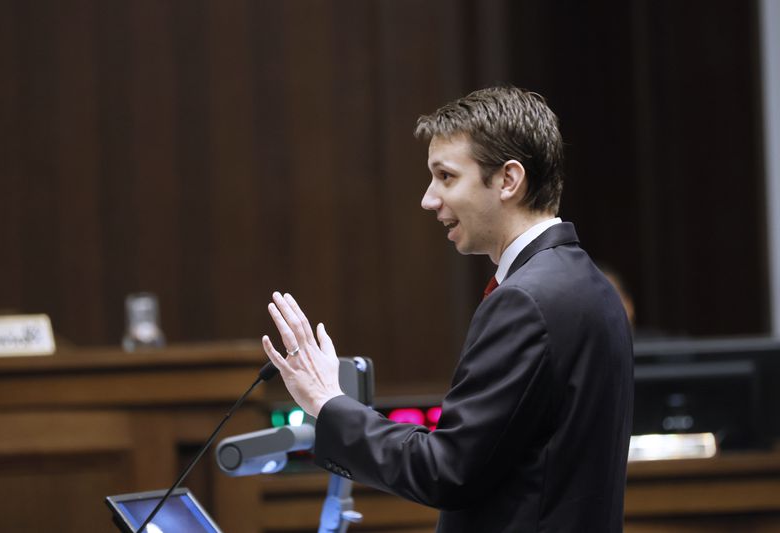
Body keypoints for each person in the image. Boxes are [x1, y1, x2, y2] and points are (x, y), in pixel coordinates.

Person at [261, 86, 634, 532]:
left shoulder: (525, 301)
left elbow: (445, 471)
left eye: (447, 176)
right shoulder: (591, 284)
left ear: (508, 181)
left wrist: (328, 402)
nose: (428, 198)